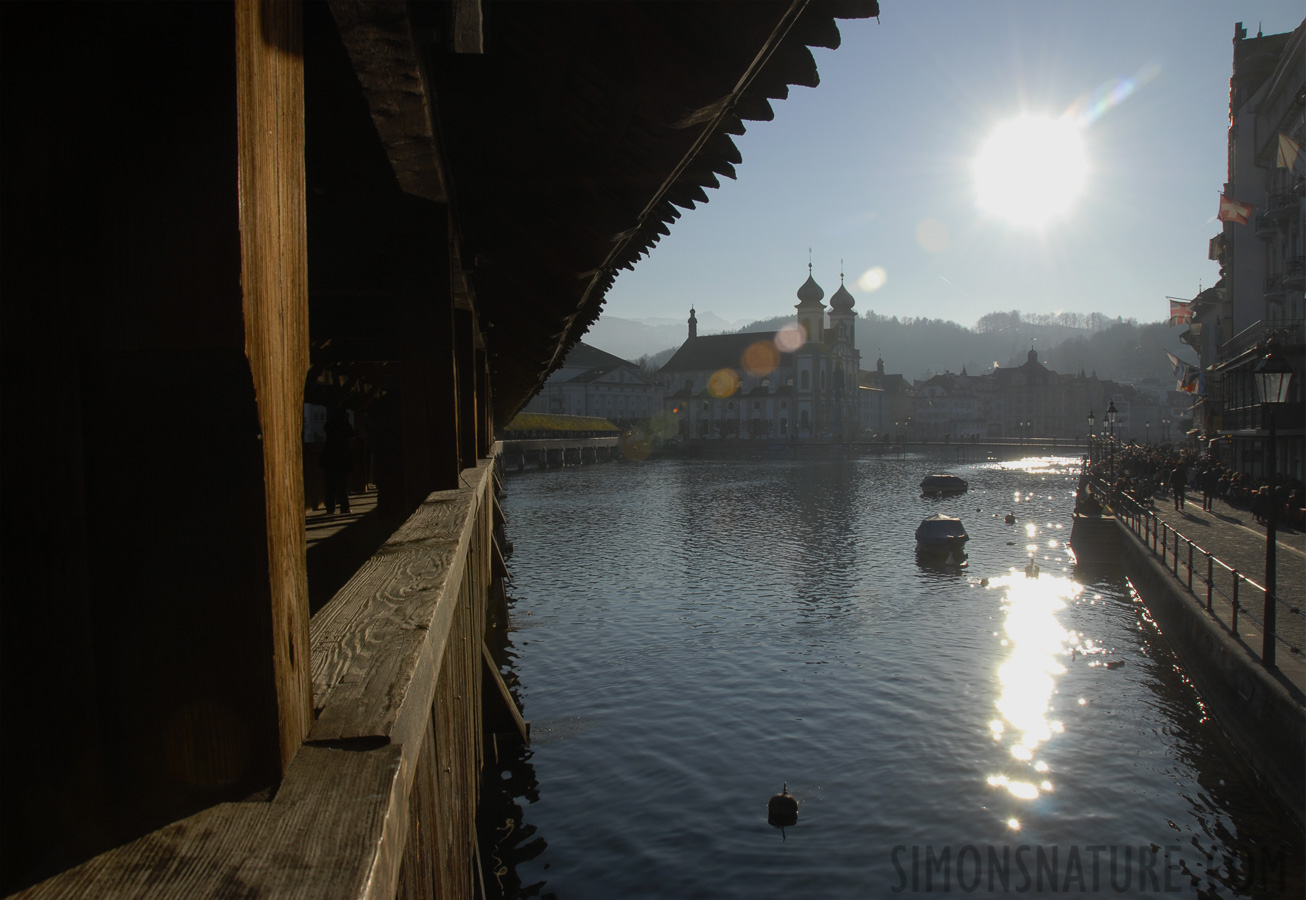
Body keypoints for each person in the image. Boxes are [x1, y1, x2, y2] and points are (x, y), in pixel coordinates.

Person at [321, 406, 355, 515]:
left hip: (331, 459)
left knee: (331, 485)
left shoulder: (330, 425)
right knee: (342, 486)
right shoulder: (344, 425)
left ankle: (330, 508)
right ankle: (344, 508)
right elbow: (352, 433)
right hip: (342, 459)